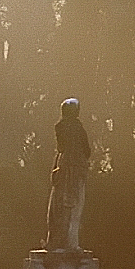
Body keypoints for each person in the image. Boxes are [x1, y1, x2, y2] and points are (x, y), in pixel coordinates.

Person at [46, 98, 91, 250]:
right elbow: (87, 151)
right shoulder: (79, 129)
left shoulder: (60, 127)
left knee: (60, 208)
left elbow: (61, 147)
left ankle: (58, 241)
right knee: (73, 208)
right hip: (76, 173)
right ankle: (70, 243)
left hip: (64, 170)